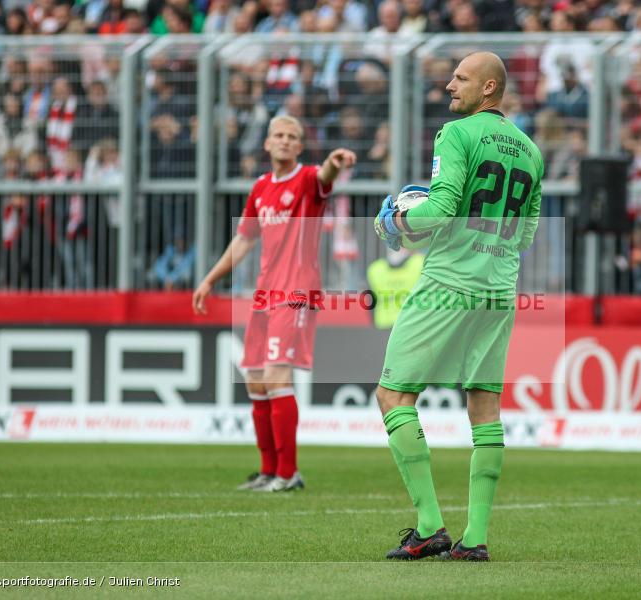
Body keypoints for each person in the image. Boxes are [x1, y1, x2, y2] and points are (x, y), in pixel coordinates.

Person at [373, 52, 542, 561]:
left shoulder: (456, 134)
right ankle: (476, 539)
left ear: (489, 88)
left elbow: (443, 206)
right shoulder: (531, 151)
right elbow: (528, 232)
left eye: (461, 78)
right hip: (499, 288)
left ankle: (429, 527)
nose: (449, 85)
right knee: (484, 405)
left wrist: (398, 222)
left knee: (392, 395)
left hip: (449, 282)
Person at [193, 116, 356, 492]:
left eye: (292, 137)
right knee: (255, 378)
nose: (284, 141)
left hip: (297, 292)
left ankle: (288, 473)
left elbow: (325, 176)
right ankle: (268, 470)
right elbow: (244, 240)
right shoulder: (261, 187)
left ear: (300, 147)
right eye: (278, 136)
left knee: (276, 376)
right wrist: (210, 278)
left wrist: (335, 160)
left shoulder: (306, 180)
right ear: (266, 144)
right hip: (265, 293)